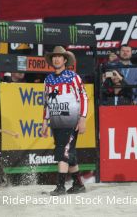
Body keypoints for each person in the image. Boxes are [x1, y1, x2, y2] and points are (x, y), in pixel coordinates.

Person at [40, 46, 88, 196]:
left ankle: (60, 187)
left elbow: (83, 98)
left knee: (62, 151)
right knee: (68, 153)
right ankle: (78, 184)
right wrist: (44, 122)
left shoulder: (73, 77)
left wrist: (83, 119)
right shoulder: (48, 79)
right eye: (54, 56)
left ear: (65, 60)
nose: (56, 59)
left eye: (59, 56)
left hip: (71, 120)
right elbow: (47, 103)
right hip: (56, 121)